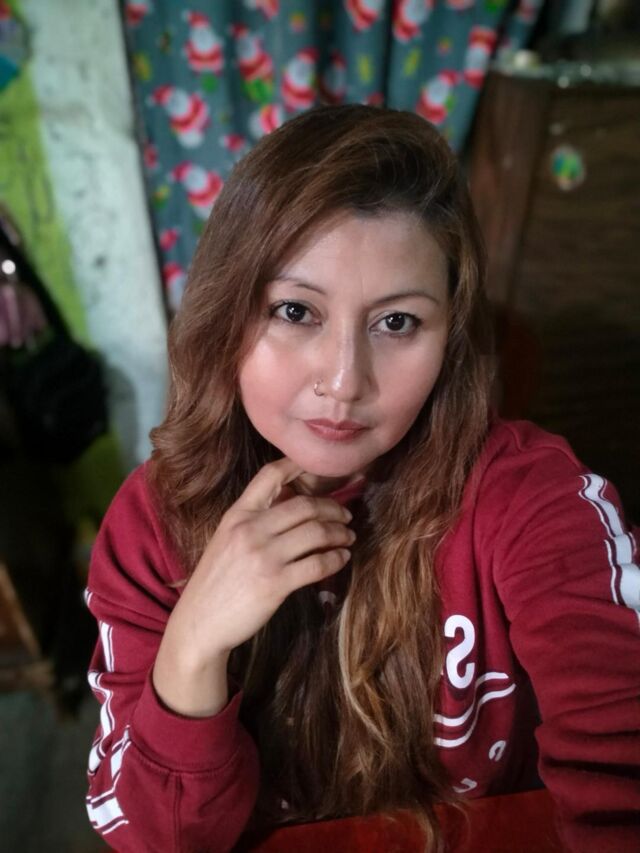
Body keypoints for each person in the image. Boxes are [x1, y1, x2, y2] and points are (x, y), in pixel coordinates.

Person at [85, 104, 640, 853]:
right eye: (294, 310)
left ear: (451, 336)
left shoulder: (530, 497)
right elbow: (157, 838)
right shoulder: (153, 523)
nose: (345, 382)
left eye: (397, 323)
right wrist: (193, 645)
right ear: (225, 311)